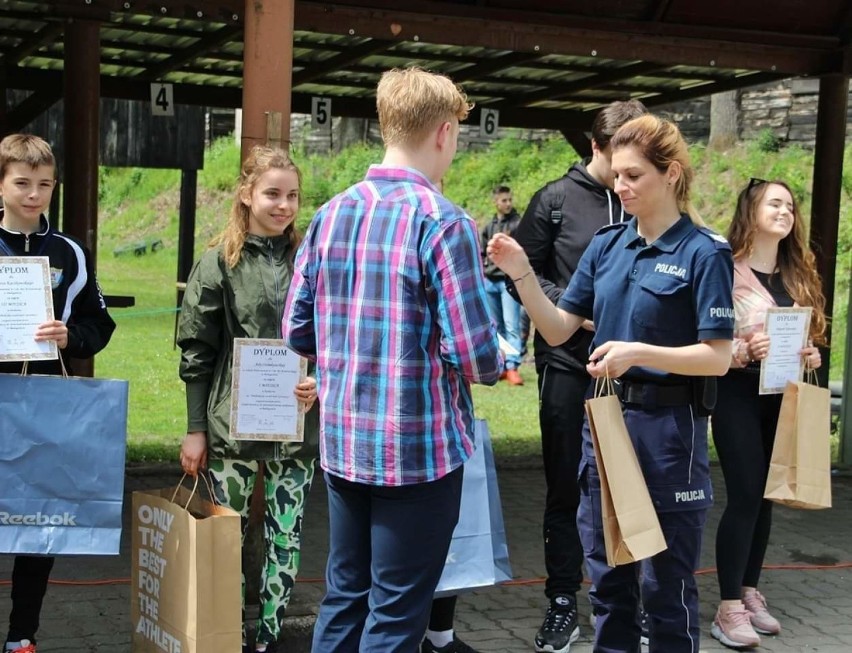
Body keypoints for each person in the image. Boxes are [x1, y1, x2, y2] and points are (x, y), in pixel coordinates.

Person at [487, 114, 735, 652]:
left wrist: (638, 353)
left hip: (670, 434)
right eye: (616, 175)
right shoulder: (607, 245)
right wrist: (522, 274)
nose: (619, 186)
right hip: (605, 427)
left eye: (633, 176)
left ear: (670, 174)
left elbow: (718, 356)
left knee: (666, 589)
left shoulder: (704, 251)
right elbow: (557, 327)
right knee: (609, 585)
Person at [282, 67, 503, 652]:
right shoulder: (443, 220)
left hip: (343, 443)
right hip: (419, 451)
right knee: (398, 612)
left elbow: (295, 329)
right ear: (446, 132)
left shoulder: (330, 214)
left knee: (345, 595)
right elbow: (477, 354)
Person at [512, 99, 647, 652]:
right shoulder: (555, 200)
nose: (625, 172)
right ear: (595, 147)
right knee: (567, 486)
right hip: (568, 364)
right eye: (618, 157)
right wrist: (569, 310)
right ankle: (563, 600)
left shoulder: (644, 199)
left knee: (625, 488)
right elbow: (521, 273)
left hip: (633, 369)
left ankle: (623, 605)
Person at [177, 146, 319, 653]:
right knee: (226, 539)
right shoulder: (219, 261)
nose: (283, 205)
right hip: (230, 425)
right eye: (272, 194)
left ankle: (270, 635)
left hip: (296, 424)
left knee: (287, 533)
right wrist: (195, 428)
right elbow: (197, 349)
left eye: (292, 196)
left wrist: (319, 376)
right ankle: (228, 631)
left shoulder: (311, 259)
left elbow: (334, 334)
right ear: (246, 195)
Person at [0, 134, 116, 653]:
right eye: (22, 183)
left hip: (46, 398)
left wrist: (74, 337)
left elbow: (100, 321)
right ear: (2, 184)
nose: (34, 194)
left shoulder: (70, 252)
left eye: (44, 184)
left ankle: (22, 634)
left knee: (37, 518)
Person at [709, 178, 825, 650]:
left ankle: (751, 590)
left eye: (790, 206)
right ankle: (728, 607)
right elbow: (708, 338)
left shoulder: (798, 273)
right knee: (743, 495)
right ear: (751, 211)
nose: (785, 212)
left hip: (784, 396)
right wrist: (742, 348)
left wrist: (811, 355)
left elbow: (809, 336)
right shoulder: (725, 270)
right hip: (736, 393)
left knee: (767, 496)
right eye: (775, 203)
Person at [481, 184, 524, 385]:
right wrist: (483, 273)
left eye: (510, 199)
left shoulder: (518, 224)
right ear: (495, 202)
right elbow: (482, 252)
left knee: (511, 325)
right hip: (490, 281)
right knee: (496, 328)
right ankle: (502, 365)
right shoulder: (489, 226)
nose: (508, 203)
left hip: (508, 282)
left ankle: (513, 367)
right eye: (504, 200)